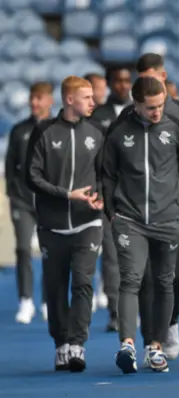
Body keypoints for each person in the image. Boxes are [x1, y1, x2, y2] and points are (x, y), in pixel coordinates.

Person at [102, 76, 179, 374]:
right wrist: (112, 212)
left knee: (165, 283)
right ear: (136, 104)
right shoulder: (118, 131)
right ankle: (127, 345)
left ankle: (155, 346)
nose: (157, 112)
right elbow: (108, 174)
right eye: (151, 107)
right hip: (130, 220)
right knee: (130, 280)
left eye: (161, 105)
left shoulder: (176, 129)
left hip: (168, 219)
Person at [25, 75, 105, 372]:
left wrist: (100, 197)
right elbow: (31, 178)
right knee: (56, 287)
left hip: (88, 223)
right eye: (87, 97)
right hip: (52, 225)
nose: (93, 102)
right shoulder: (44, 132)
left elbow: (104, 174)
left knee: (84, 282)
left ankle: (77, 344)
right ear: (69, 99)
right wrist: (65, 195)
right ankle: (60, 343)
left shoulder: (97, 131)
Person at [6, 81, 54, 324]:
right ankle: (25, 300)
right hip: (22, 202)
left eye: (39, 98)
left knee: (49, 252)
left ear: (50, 101)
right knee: (23, 249)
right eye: (32, 98)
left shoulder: (59, 129)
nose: (34, 103)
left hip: (49, 203)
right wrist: (14, 195)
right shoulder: (18, 130)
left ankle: (48, 301)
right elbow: (10, 166)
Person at [90, 65, 133, 332]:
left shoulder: (139, 112)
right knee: (112, 256)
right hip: (109, 196)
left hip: (139, 195)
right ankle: (116, 313)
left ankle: (141, 307)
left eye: (127, 80)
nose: (123, 85)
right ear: (109, 84)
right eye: (117, 81)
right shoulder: (98, 116)